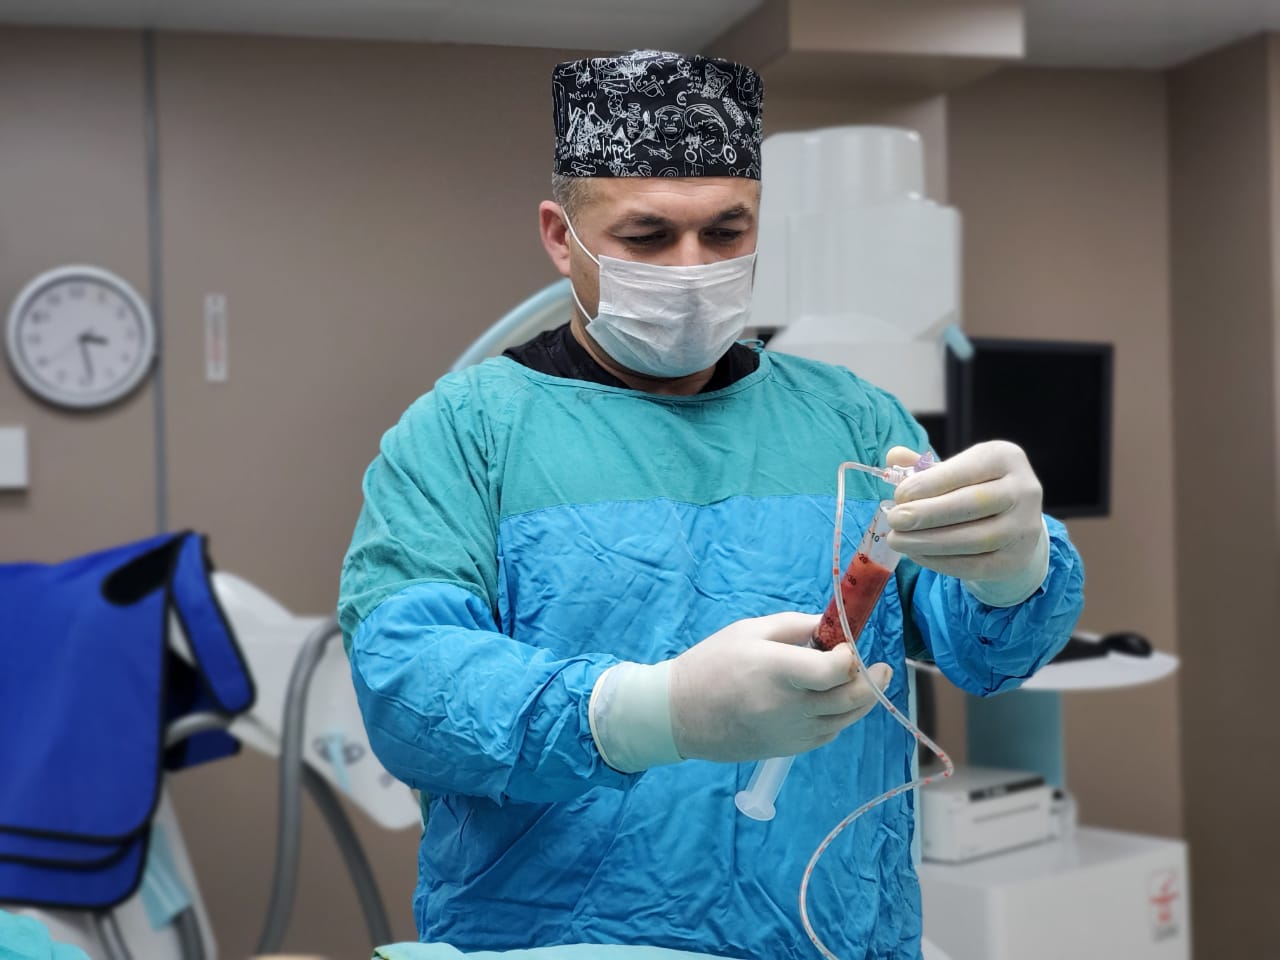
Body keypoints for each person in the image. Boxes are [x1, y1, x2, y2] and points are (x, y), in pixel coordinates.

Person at [339, 50, 1084, 960]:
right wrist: (655, 712)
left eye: (727, 232)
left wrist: (1015, 569)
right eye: (648, 237)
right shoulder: (465, 433)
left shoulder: (853, 417)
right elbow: (409, 686)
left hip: (831, 933)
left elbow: (984, 647)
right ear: (560, 236)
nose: (691, 269)